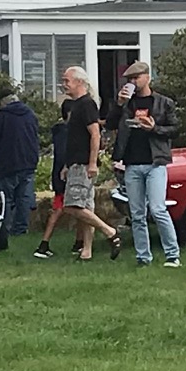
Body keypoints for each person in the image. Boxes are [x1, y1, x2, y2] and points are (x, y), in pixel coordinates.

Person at [105, 61, 181, 268]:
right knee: (137, 214)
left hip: (155, 162)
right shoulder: (127, 103)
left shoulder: (163, 103)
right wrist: (119, 104)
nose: (132, 82)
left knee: (157, 209)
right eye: (129, 79)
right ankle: (143, 257)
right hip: (131, 163)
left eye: (136, 78)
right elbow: (109, 124)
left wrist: (154, 128)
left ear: (148, 77)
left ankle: (173, 255)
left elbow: (174, 129)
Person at [59, 66, 122, 261]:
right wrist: (66, 165)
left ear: (79, 82)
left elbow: (95, 134)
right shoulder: (76, 105)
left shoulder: (87, 104)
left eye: (67, 80)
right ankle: (86, 251)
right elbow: (75, 139)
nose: (64, 84)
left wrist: (92, 163)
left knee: (72, 206)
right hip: (75, 163)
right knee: (86, 207)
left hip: (83, 164)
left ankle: (109, 231)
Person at [32, 109, 85, 258]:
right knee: (77, 207)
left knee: (61, 208)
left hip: (58, 176)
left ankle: (75, 242)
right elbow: (64, 153)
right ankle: (77, 242)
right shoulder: (67, 132)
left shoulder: (58, 132)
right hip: (66, 176)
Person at [0, 91, 41, 237]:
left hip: (7, 163)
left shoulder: (2, 115)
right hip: (28, 162)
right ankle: (21, 229)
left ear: (3, 103)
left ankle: (4, 230)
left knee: (6, 198)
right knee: (24, 198)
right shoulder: (30, 114)